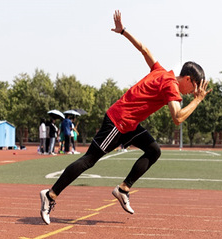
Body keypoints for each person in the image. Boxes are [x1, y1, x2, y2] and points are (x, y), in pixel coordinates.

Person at [40, 10, 211, 225]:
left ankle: (123, 189)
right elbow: (177, 118)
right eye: (195, 87)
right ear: (187, 78)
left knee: (153, 150)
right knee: (88, 161)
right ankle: (50, 195)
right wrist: (198, 101)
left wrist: (124, 31)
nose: (193, 92)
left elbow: (144, 49)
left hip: (129, 125)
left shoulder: (161, 72)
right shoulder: (171, 85)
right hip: (118, 122)